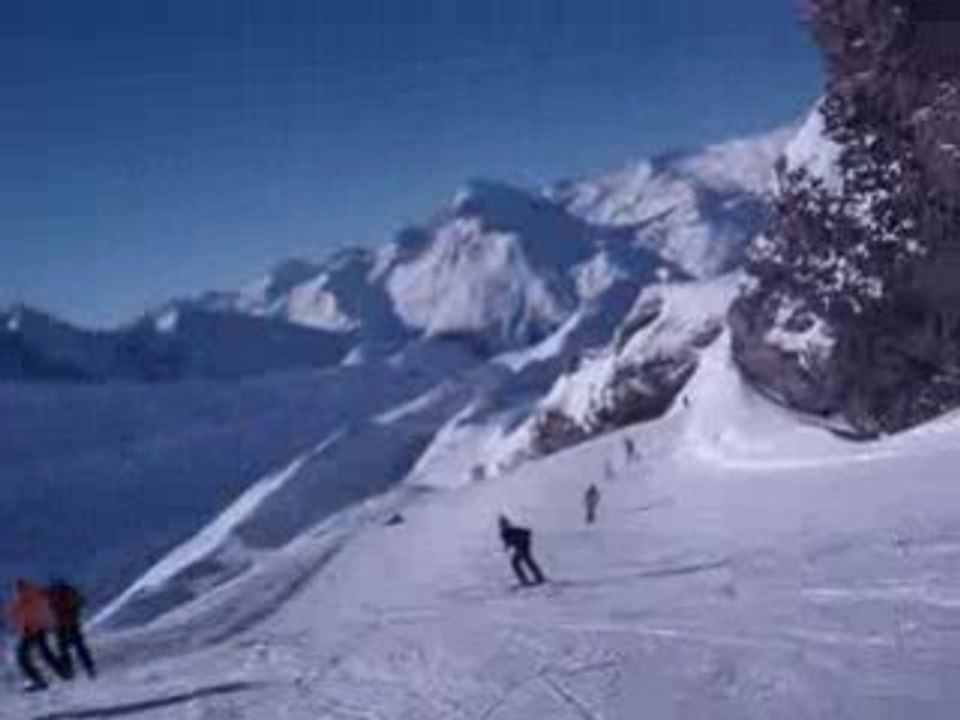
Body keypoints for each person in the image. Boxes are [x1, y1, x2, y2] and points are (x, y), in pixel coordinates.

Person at [7, 579, 62, 692]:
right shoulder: (28, 598)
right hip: (34, 630)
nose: (17, 590)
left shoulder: (29, 598)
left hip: (33, 630)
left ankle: (40, 680)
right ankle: (61, 672)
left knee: (23, 657)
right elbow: (16, 615)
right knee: (43, 653)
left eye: (19, 588)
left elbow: (25, 613)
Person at [47, 579, 96, 680]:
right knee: (75, 647)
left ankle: (72, 670)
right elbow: (82, 602)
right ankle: (87, 668)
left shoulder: (59, 594)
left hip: (65, 625)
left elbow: (81, 602)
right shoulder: (68, 592)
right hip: (67, 624)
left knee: (67, 648)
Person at [498, 515, 546, 587]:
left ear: (508, 523)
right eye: (502, 525)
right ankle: (524, 579)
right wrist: (507, 547)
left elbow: (528, 532)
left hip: (524, 546)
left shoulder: (514, 530)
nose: (504, 526)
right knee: (516, 562)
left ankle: (539, 577)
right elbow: (508, 542)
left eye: (505, 524)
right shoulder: (503, 534)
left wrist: (521, 542)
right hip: (519, 548)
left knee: (525, 561)